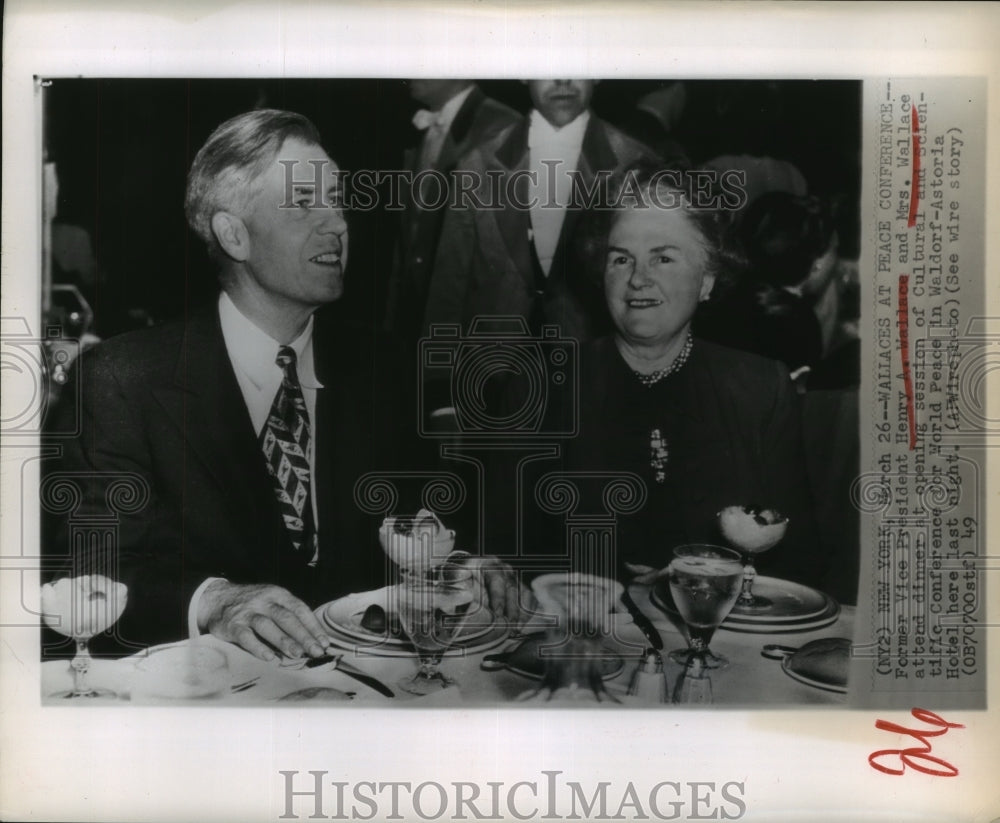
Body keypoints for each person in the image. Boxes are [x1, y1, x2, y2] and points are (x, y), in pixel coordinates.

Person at [42, 109, 520, 662]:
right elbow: (88, 572)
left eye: (336, 199)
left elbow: (411, 523)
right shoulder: (121, 381)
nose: (338, 223)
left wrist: (455, 566)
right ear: (233, 234)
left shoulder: (383, 369)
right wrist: (213, 601)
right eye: (302, 202)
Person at [505, 164, 833, 592]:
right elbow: (502, 553)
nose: (638, 279)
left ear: (707, 279)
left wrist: (709, 581)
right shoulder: (542, 388)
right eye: (621, 259)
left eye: (662, 257)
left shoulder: (761, 389)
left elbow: (799, 560)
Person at [422, 80, 656, 342]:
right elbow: (448, 283)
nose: (562, 80)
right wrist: (439, 376)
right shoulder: (476, 163)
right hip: (489, 363)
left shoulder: (636, 164)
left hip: (592, 363)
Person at [383, 80, 520, 342]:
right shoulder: (424, 124)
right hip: (416, 321)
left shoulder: (502, 127)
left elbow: (505, 265)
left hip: (467, 332)